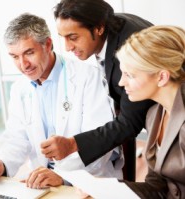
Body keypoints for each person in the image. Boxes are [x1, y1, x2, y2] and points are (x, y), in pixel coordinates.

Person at [0, 13, 123, 189]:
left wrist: (62, 176)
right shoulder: (20, 88)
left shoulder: (88, 77)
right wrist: (1, 164)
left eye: (29, 52)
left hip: (88, 183)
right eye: (14, 56)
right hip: (42, 184)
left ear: (48, 44)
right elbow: (16, 139)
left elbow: (100, 142)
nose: (23, 64)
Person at [41, 0, 155, 181]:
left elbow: (129, 123)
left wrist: (72, 144)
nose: (67, 47)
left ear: (98, 28)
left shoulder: (126, 53)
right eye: (62, 37)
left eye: (73, 37)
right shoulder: (110, 26)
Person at [116, 25, 185, 199]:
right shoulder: (154, 114)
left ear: (161, 77)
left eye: (129, 75)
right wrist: (107, 188)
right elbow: (157, 187)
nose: (121, 83)